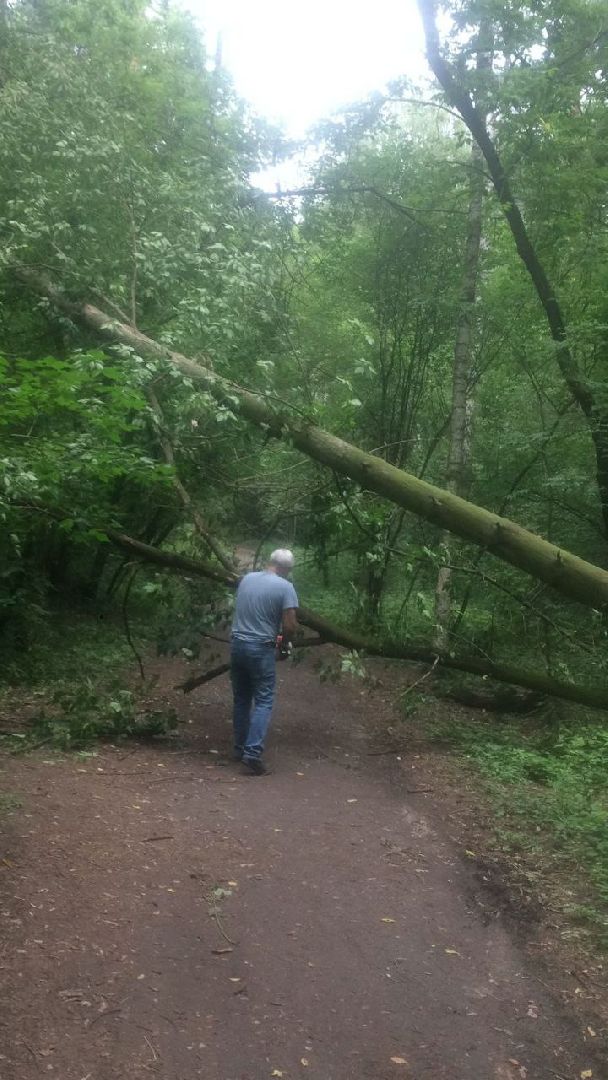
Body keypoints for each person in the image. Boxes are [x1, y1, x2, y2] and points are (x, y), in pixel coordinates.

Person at [230, 549, 298, 775]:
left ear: (270, 562)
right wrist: (284, 645)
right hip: (260, 648)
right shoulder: (285, 587)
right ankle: (252, 753)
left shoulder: (246, 579)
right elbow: (289, 625)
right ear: (286, 569)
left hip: (237, 644)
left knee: (241, 699)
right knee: (264, 700)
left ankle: (239, 749)